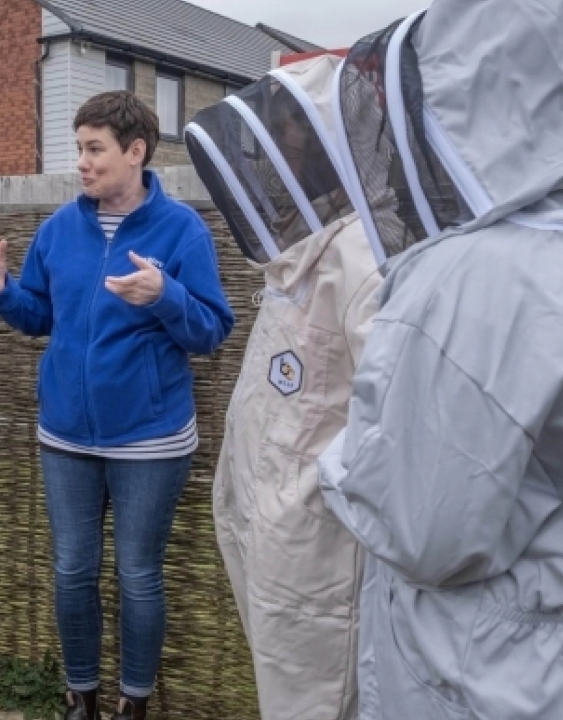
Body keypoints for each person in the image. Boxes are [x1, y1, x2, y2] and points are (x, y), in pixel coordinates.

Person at [316, 1, 563, 718]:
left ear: (469, 97)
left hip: (481, 667)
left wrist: (337, 465)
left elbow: (421, 529)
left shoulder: (475, 277)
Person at [0, 92, 234, 720]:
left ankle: (133, 705)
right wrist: (4, 291)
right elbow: (40, 316)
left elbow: (212, 331)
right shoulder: (60, 228)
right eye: (79, 149)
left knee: (138, 576)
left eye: (95, 149)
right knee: (71, 572)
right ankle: (80, 700)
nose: (82, 163)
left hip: (150, 438)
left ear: (135, 152)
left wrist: (165, 294)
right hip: (66, 436)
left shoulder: (181, 230)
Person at [186, 54, 381, 720]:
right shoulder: (297, 248)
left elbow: (385, 421)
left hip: (319, 549)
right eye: (281, 123)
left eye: (301, 123)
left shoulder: (365, 259)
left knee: (321, 701)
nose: (288, 138)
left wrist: (314, 493)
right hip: (265, 524)